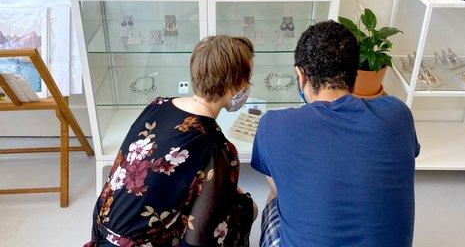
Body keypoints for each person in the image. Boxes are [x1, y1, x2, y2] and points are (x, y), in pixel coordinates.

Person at [251, 21, 420, 247]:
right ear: (355, 73)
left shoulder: (273, 125)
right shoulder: (398, 114)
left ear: (300, 76)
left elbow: (282, 190)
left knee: (274, 203)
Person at [85, 36, 257, 247]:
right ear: (232, 87)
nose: (249, 85)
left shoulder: (158, 105)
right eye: (248, 78)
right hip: (142, 243)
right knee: (246, 207)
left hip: (103, 226)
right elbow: (198, 238)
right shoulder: (217, 147)